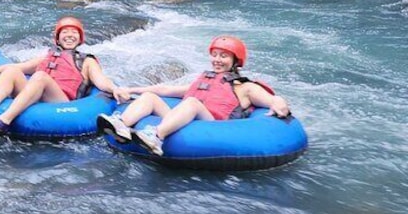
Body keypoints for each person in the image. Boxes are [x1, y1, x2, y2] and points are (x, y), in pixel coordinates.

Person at [96, 35, 291, 156]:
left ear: (235, 61)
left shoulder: (244, 86)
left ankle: (156, 136)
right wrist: (131, 90)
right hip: (189, 118)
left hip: (212, 125)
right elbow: (166, 90)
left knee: (191, 102)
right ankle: (121, 125)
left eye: (223, 56)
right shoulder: (204, 80)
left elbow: (272, 99)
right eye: (215, 55)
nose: (217, 60)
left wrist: (279, 103)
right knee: (150, 97)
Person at [0, 16, 130, 134]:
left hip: (60, 102)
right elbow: (19, 66)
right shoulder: (48, 56)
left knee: (40, 77)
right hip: (36, 94)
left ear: (80, 38)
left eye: (74, 32)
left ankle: (4, 121)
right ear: (57, 38)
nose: (69, 35)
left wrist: (114, 88)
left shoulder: (86, 61)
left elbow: (101, 80)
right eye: (65, 32)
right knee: (12, 71)